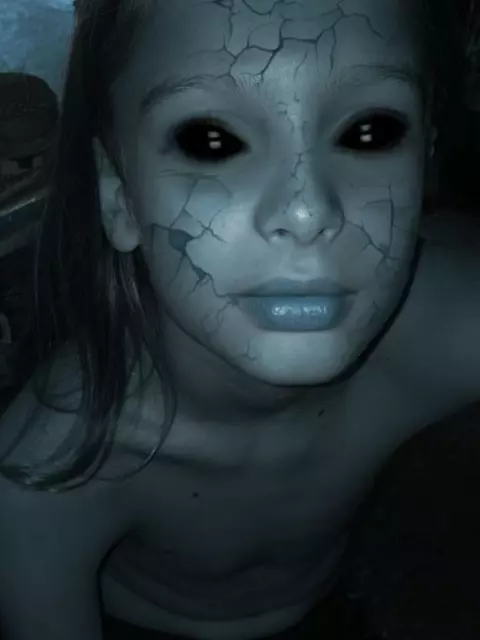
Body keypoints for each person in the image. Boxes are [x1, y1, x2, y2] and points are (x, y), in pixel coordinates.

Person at [0, 0, 477, 638]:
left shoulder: (453, 324)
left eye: (371, 131)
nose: (307, 212)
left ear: (425, 161)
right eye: (211, 141)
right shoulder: (49, 477)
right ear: (119, 197)